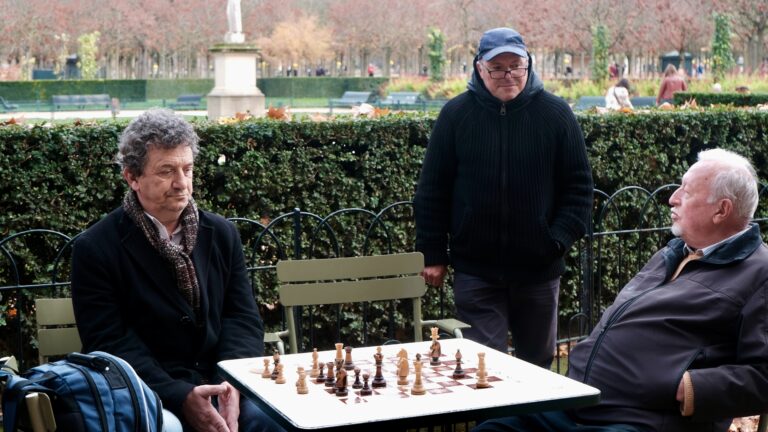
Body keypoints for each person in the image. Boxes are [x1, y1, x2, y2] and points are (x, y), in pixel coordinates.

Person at [474, 148, 768, 432]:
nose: (672, 199)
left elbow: (762, 375)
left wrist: (686, 388)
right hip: (578, 402)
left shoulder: (759, 274)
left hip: (640, 421)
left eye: (686, 192)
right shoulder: (675, 252)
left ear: (722, 210)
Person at [71, 109, 283, 432]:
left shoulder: (222, 234)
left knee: (275, 419)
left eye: (187, 168)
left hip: (223, 383)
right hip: (151, 394)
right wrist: (181, 396)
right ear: (132, 177)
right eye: (167, 171)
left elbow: (242, 318)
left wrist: (231, 386)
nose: (181, 183)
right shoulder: (96, 248)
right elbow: (111, 342)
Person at [413, 27, 593, 368]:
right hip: (475, 269)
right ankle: (494, 424)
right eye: (497, 67)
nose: (508, 75)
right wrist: (433, 252)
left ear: (529, 65)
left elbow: (579, 188)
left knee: (537, 365)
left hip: (539, 271)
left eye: (516, 66)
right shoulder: (455, 115)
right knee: (485, 365)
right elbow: (432, 188)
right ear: (479, 68)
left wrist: (556, 242)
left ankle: (533, 423)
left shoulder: (557, 115)